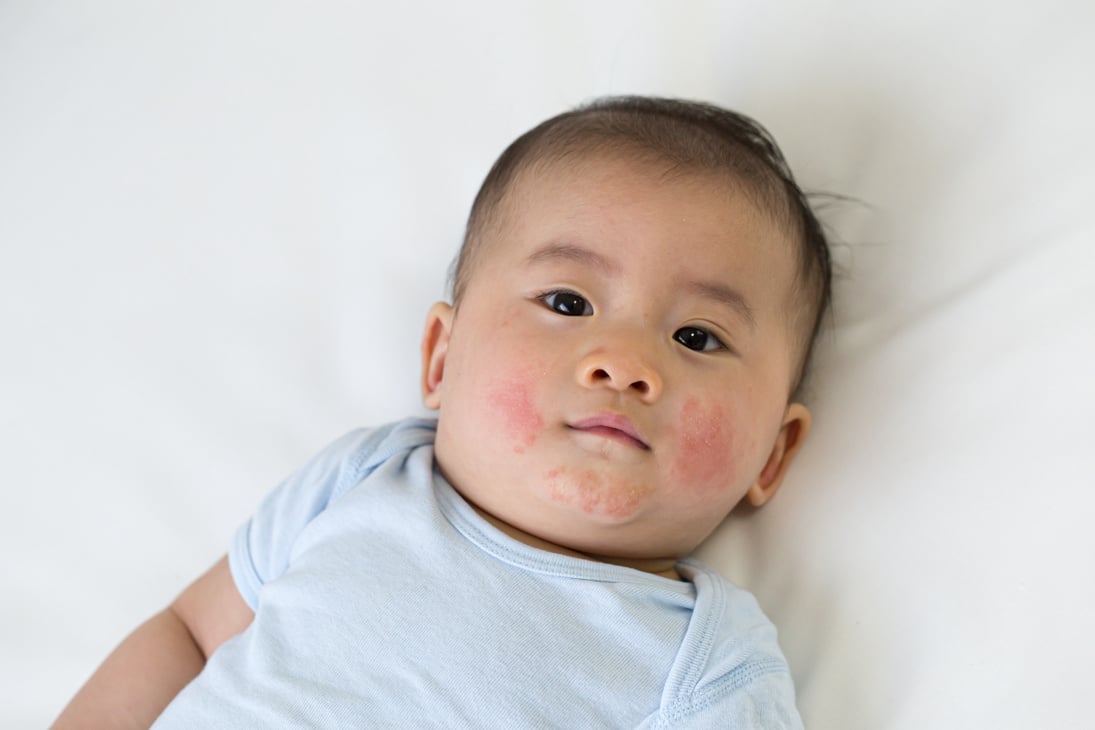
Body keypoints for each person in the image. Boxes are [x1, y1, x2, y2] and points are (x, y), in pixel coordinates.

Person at [54, 96, 831, 728]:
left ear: (771, 452)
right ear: (441, 357)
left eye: (697, 337)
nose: (624, 364)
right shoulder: (365, 479)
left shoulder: (706, 669)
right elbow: (189, 636)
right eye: (568, 301)